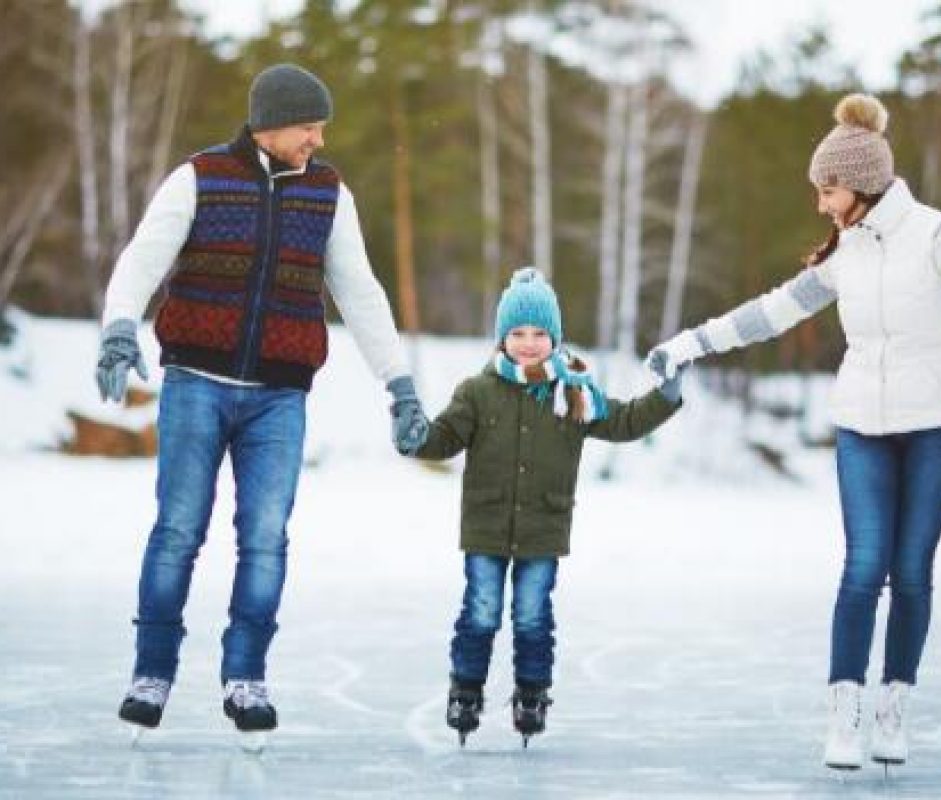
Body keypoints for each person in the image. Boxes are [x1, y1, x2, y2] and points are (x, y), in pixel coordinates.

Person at [647, 93, 941, 771]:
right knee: (863, 568)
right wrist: (689, 344)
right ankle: (844, 714)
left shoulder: (940, 236)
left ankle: (892, 708)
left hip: (938, 429)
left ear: (862, 184)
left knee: (911, 572)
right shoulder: (846, 254)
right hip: (863, 428)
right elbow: (770, 313)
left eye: (827, 190)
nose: (820, 204)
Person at [95, 63, 428, 737]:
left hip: (279, 396)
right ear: (272, 123)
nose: (319, 141)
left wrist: (399, 385)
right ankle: (151, 673)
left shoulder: (329, 195)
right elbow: (142, 258)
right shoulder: (201, 178)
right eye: (310, 127)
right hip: (196, 383)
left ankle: (246, 678)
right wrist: (118, 328)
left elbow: (360, 292)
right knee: (178, 531)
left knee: (266, 538)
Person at [406, 268, 684, 746]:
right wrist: (413, 435)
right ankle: (465, 690)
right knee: (482, 611)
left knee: (533, 615)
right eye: (517, 333)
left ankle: (532, 692)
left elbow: (624, 421)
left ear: (554, 337)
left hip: (543, 528)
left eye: (539, 333)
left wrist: (666, 396)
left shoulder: (573, 392)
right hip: (487, 525)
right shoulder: (478, 390)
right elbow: (444, 438)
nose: (529, 343)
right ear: (502, 338)